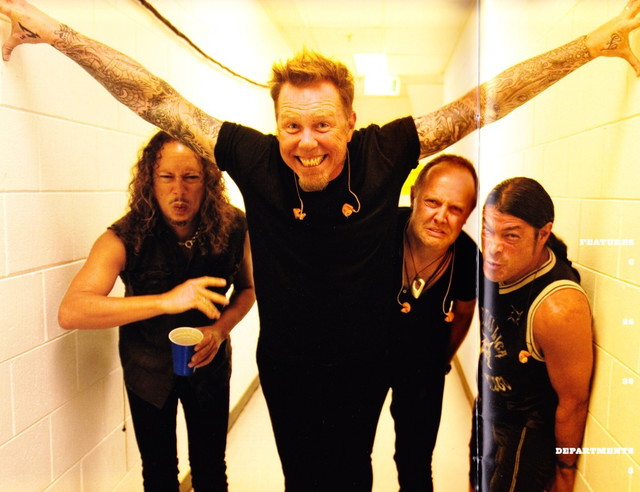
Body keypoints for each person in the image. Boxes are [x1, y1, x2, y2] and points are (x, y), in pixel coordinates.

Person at [1, 1, 637, 489]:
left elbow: (482, 106)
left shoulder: (384, 152)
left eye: (324, 124)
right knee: (302, 479)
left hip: (364, 366)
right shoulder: (254, 158)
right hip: (286, 368)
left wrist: (590, 45)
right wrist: (56, 33)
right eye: (292, 126)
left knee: (352, 474)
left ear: (351, 122)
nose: (307, 143)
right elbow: (157, 99)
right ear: (276, 126)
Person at [58, 131, 255, 491]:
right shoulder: (125, 236)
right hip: (147, 370)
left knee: (211, 468)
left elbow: (247, 289)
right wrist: (167, 300)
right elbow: (71, 311)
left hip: (209, 365)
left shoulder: (234, 226)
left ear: (208, 181)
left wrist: (221, 329)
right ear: (150, 180)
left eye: (190, 177)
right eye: (167, 177)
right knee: (159, 473)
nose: (179, 190)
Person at [472, 177, 593, 492]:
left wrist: (565, 470)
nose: (493, 248)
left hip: (526, 430)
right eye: (488, 230)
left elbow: (573, 401)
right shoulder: (493, 268)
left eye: (511, 235)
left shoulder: (559, 308)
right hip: (488, 405)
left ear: (543, 234)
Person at [391, 154, 479, 491]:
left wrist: (440, 360)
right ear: (414, 195)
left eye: (455, 209)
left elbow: (465, 312)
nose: (441, 216)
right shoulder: (380, 231)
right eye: (432, 202)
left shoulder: (467, 256)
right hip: (365, 359)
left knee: (415, 462)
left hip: (423, 367)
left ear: (467, 214)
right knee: (350, 453)